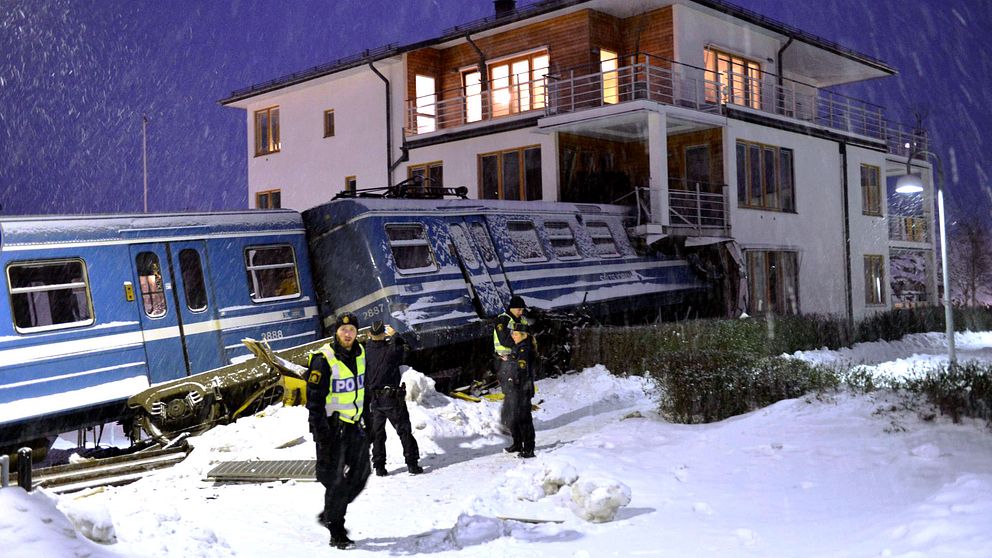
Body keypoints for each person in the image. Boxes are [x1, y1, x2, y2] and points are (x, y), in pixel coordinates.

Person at [306, 312, 370, 549]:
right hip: (331, 430)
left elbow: (365, 391)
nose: (348, 333)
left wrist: (370, 425)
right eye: (344, 330)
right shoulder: (324, 359)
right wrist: (322, 437)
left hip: (354, 427)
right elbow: (314, 402)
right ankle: (336, 530)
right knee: (335, 482)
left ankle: (330, 512)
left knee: (361, 476)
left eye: (352, 330)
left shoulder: (362, 354)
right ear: (336, 332)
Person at [363, 320, 423, 476]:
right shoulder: (391, 350)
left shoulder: (366, 351)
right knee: (404, 431)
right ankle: (412, 464)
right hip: (392, 399)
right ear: (384, 334)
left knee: (377, 435)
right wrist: (396, 335)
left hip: (375, 400)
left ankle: (379, 467)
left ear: (369, 334)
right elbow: (408, 351)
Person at [500, 321, 536, 458]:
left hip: (522, 389)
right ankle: (517, 443)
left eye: (515, 334)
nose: (513, 336)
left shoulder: (524, 349)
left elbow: (522, 369)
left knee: (524, 419)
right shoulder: (518, 347)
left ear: (524, 335)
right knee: (510, 417)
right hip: (513, 389)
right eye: (512, 333)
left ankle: (528, 448)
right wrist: (508, 359)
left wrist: (512, 378)